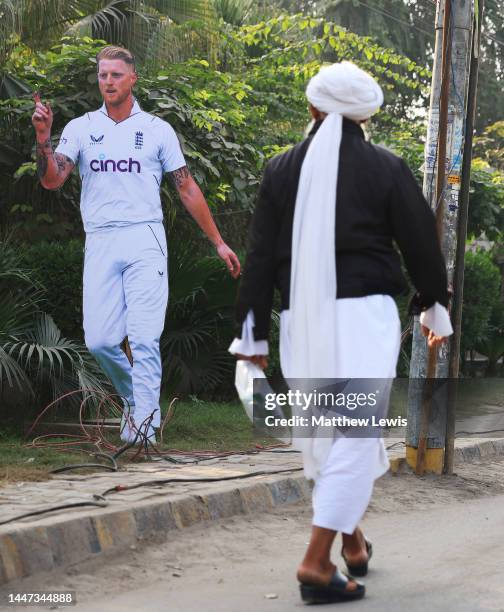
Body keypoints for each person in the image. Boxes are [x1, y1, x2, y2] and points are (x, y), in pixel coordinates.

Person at [229, 61, 453, 603]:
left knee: (327, 432)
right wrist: (433, 308)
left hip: (301, 321)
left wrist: (253, 337)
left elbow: (258, 258)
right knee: (356, 436)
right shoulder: (386, 167)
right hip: (365, 319)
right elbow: (421, 242)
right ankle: (314, 561)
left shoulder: (281, 169)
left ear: (312, 108)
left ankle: (353, 545)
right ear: (365, 116)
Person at [32, 45, 240, 444]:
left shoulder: (158, 130)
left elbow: (186, 187)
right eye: (102, 75)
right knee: (100, 340)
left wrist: (217, 242)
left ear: (132, 79)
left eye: (115, 75)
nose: (107, 81)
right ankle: (135, 399)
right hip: (101, 238)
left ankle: (143, 429)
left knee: (144, 337)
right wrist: (44, 137)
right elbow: (52, 179)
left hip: (145, 236)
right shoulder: (80, 127)